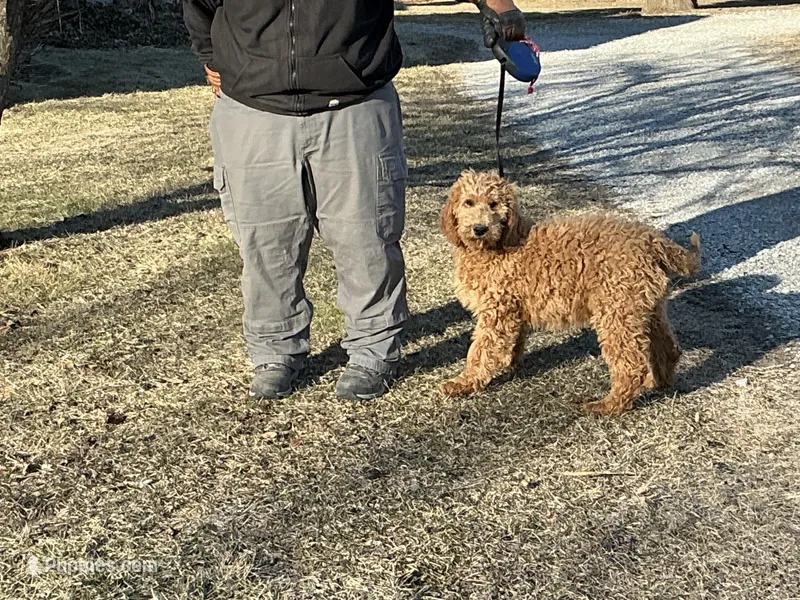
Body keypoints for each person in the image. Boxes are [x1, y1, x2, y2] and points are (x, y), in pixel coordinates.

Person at [182, 0, 526, 400]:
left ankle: (373, 352)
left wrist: (500, 6)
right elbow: (200, 7)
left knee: (367, 240)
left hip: (356, 104)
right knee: (264, 244)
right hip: (251, 109)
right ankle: (274, 351)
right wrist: (217, 58)